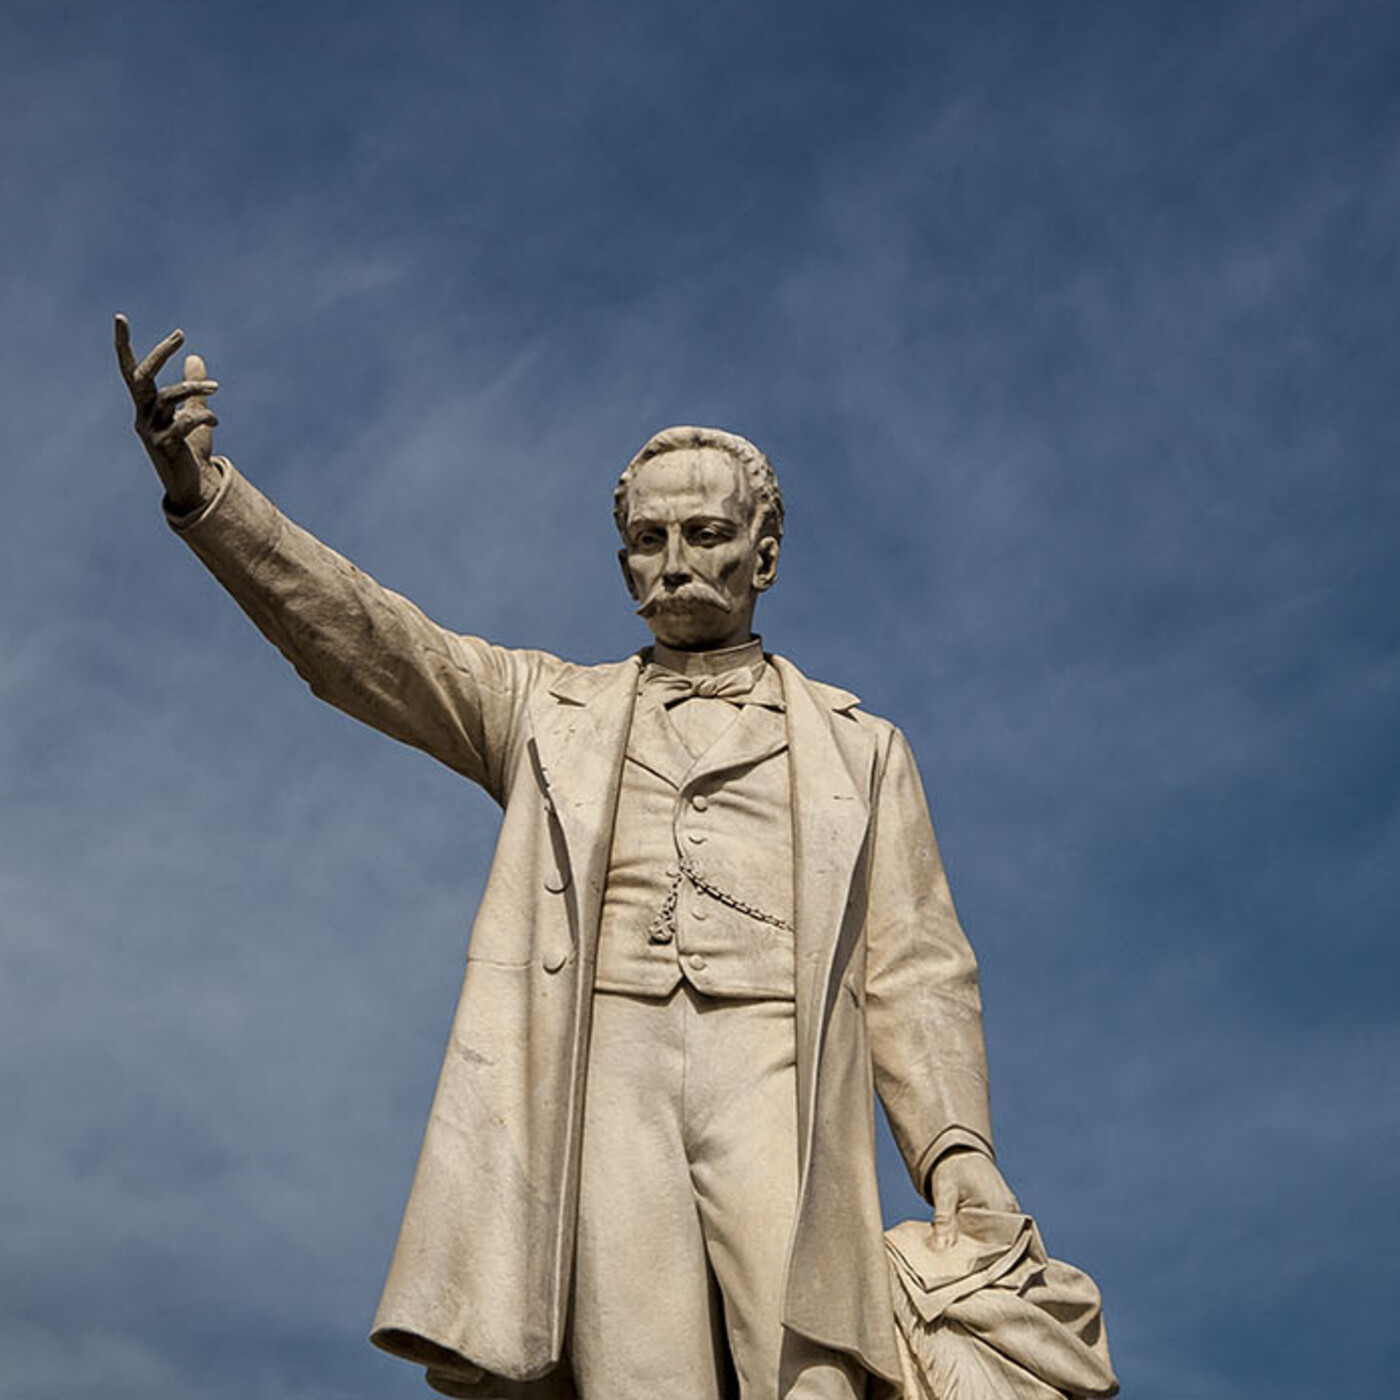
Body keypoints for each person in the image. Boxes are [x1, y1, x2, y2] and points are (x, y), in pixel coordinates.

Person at [115, 317, 1019, 1400]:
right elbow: (366, 641)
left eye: (704, 533)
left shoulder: (860, 749)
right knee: (638, 1375)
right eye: (648, 538)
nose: (674, 561)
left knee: (815, 1370)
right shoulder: (547, 709)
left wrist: (954, 1151)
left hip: (777, 1068)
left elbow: (917, 966)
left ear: (765, 554)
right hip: (608, 1067)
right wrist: (208, 497)